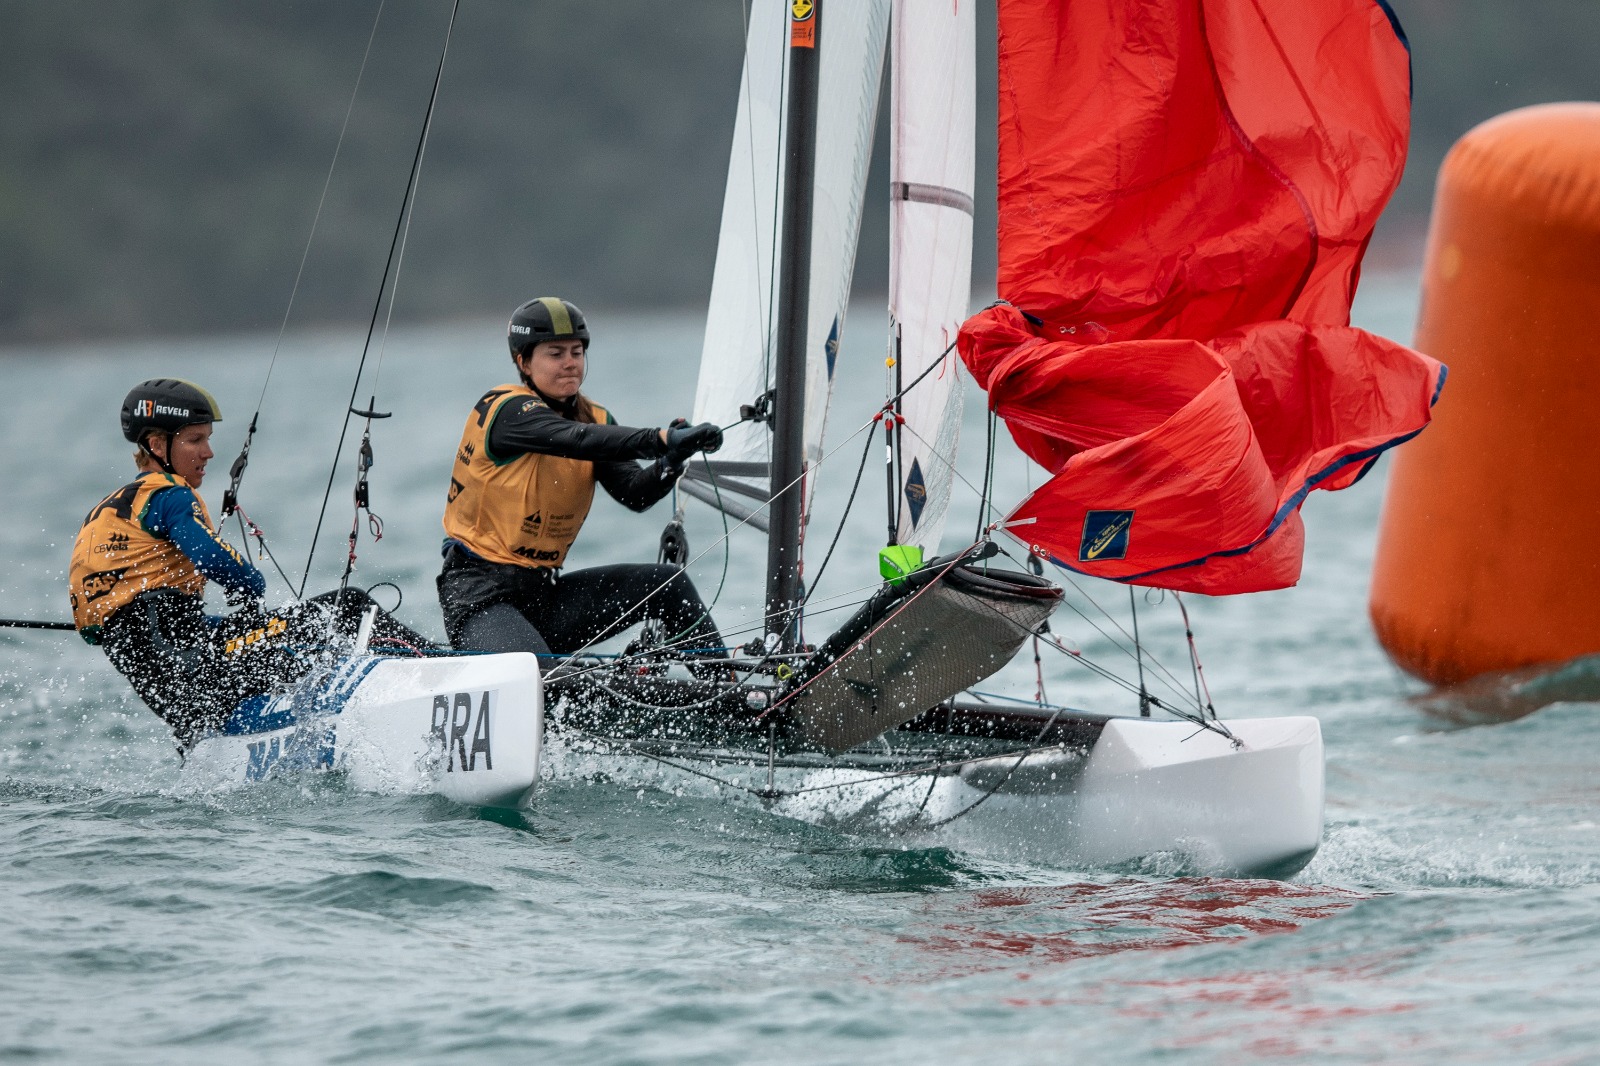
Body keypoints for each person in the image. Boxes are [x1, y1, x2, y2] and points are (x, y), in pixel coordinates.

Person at [69, 378, 433, 750]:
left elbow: (140, 628)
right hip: (202, 677)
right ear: (157, 444)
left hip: (179, 693)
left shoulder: (104, 514)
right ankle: (441, 669)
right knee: (346, 610)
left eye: (207, 438)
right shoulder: (168, 495)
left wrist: (246, 623)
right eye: (195, 440)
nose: (208, 452)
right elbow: (213, 560)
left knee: (293, 636)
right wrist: (249, 583)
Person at [437, 296, 728, 675]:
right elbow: (576, 439)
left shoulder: (595, 416)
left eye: (577, 351)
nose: (571, 362)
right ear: (524, 362)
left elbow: (634, 492)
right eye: (555, 353)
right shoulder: (507, 409)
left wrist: (672, 460)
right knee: (538, 679)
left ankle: (738, 700)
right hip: (479, 596)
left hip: (542, 596)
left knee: (666, 584)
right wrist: (661, 439)